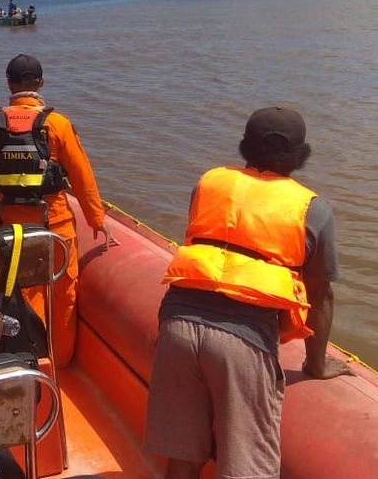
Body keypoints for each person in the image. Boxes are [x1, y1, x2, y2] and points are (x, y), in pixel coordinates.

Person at [143, 106, 354, 479]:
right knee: (246, 468)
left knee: (182, 458)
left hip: (176, 323)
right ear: (300, 156)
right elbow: (320, 295)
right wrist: (316, 365)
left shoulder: (208, 183)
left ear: (245, 147)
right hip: (243, 339)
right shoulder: (312, 209)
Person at [0, 54, 117, 368]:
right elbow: (81, 174)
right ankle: (58, 361)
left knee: (18, 292)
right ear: (41, 83)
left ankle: (26, 359)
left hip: (11, 227)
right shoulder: (57, 123)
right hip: (55, 223)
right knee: (63, 294)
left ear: (9, 84)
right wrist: (97, 220)